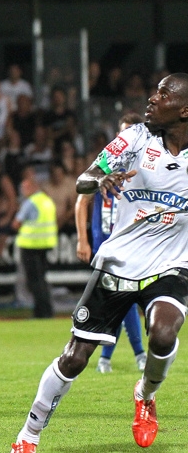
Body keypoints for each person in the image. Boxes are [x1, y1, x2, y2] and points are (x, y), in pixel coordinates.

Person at [8, 74, 188, 453]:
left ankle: (146, 394)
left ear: (185, 110)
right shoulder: (136, 138)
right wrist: (100, 180)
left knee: (163, 333)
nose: (151, 98)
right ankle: (28, 434)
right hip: (119, 262)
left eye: (163, 94)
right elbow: (84, 178)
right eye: (153, 90)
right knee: (74, 358)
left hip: (173, 264)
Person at [74, 113, 146, 374]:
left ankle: (113, 356)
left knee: (122, 297)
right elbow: (82, 199)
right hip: (105, 242)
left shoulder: (143, 167)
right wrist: (84, 238)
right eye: (122, 132)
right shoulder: (108, 163)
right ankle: (133, 355)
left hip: (131, 242)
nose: (126, 137)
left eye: (131, 131)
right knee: (120, 297)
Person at [11, 167, 57, 319]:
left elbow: (16, 224)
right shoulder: (47, 201)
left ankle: (41, 312)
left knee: (34, 282)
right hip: (46, 244)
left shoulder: (30, 203)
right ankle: (47, 310)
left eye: (25, 188)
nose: (23, 191)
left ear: (32, 187)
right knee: (42, 280)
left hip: (30, 245)